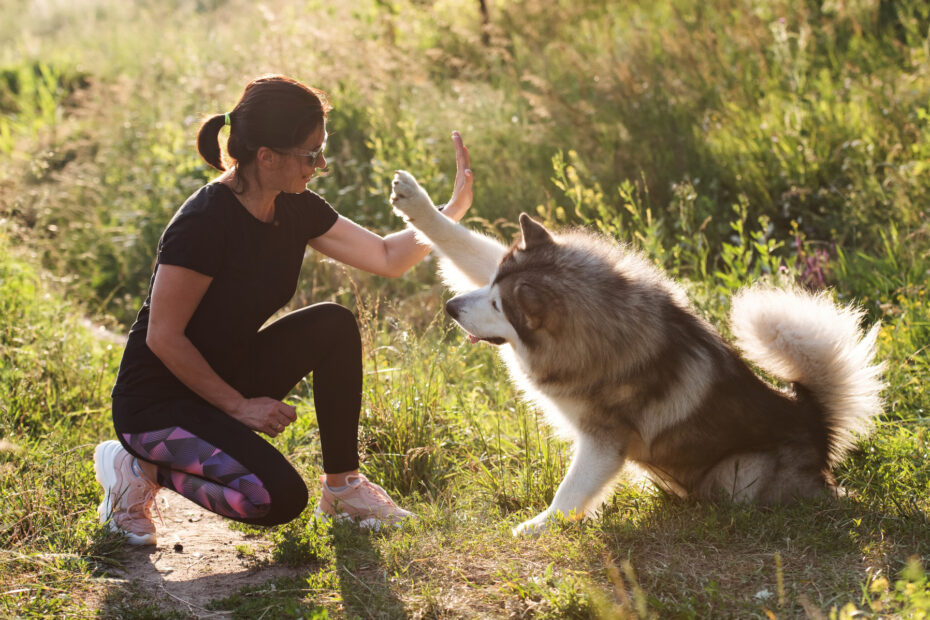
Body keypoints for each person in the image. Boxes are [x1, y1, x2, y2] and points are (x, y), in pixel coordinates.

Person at [92, 74, 473, 544]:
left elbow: (387, 258)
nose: (321, 164)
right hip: (157, 407)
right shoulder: (204, 221)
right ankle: (138, 467)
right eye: (310, 154)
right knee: (277, 500)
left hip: (225, 375)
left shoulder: (294, 206)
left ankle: (344, 488)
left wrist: (447, 215)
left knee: (332, 324)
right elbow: (163, 337)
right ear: (266, 157)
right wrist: (241, 407)